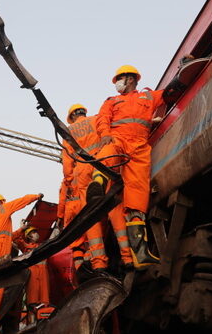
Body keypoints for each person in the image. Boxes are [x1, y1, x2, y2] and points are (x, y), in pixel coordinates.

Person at [88, 65, 164, 270]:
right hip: (118, 138)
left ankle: (140, 253)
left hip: (139, 147)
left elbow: (171, 92)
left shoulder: (149, 97)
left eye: (119, 79)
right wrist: (105, 134)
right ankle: (97, 184)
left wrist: (184, 67)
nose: (117, 84)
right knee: (108, 152)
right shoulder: (112, 101)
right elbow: (103, 119)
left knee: (137, 199)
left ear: (130, 79)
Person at [0, 193, 43, 334]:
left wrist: (22, 230)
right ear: (2, 202)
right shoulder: (3, 209)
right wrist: (36, 196)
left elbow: (8, 236)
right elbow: (20, 201)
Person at [57, 104, 109, 275]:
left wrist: (69, 179)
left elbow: (67, 162)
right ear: (84, 112)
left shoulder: (69, 131)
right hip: (104, 163)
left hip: (83, 170)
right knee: (110, 208)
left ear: (71, 117)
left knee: (90, 216)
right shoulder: (96, 119)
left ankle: (97, 264)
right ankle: (125, 256)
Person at [12, 225, 50, 315]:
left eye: (36, 232)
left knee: (45, 305)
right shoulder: (26, 247)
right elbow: (14, 238)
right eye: (33, 232)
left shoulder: (42, 246)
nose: (36, 234)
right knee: (32, 305)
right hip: (33, 280)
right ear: (28, 236)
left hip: (43, 281)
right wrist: (22, 229)